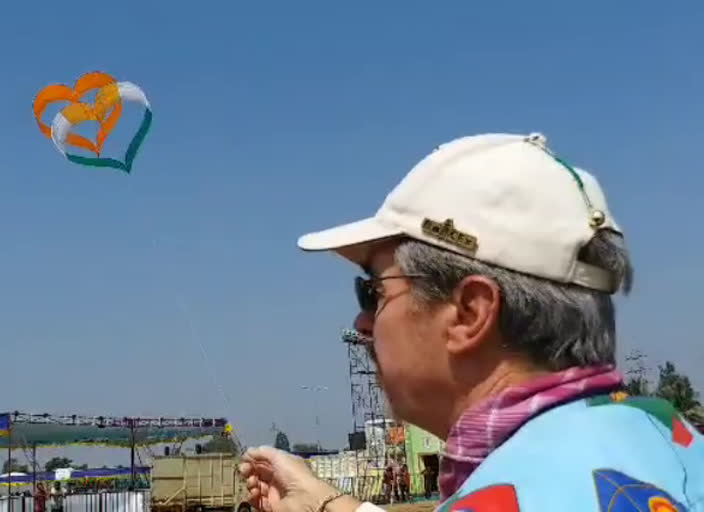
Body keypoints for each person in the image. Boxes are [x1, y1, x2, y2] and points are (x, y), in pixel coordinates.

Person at [239, 132, 704, 510]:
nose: (362, 323)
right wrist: (326, 504)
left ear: (470, 312)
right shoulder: (665, 434)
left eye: (373, 291)